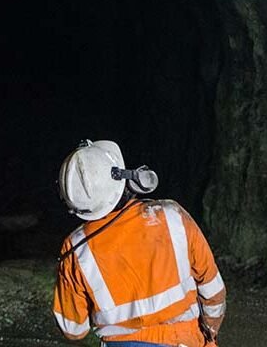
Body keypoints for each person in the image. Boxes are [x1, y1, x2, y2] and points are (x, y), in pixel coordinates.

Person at [53, 139, 226, 346]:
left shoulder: (75, 249)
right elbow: (213, 292)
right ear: (121, 176)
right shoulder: (172, 217)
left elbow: (73, 329)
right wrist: (209, 333)